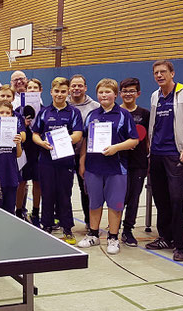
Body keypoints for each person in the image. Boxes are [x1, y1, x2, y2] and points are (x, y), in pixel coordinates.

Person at [146, 60, 183, 261]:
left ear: (172, 73)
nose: (159, 76)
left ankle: (181, 244)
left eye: (163, 72)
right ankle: (166, 237)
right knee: (160, 198)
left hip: (176, 154)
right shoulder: (155, 96)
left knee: (177, 199)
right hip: (157, 154)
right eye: (156, 73)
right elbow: (155, 125)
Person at [76, 78, 139, 255]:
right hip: (93, 167)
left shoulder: (124, 115)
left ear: (115, 94)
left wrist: (115, 148)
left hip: (116, 168)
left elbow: (134, 139)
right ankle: (93, 234)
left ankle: (113, 237)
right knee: (94, 203)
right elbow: (86, 141)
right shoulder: (92, 115)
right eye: (101, 92)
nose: (104, 95)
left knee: (115, 204)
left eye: (108, 92)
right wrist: (82, 162)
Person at [32, 77, 83, 244]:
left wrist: (63, 140)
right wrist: (42, 143)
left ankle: (67, 228)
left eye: (63, 91)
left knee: (64, 194)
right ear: (51, 92)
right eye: (57, 91)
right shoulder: (44, 112)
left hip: (66, 160)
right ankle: (46, 225)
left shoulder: (74, 112)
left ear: (67, 92)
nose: (59, 94)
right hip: (46, 160)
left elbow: (77, 135)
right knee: (47, 193)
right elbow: (35, 134)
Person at [119, 78, 150, 247]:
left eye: (132, 91)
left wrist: (149, 159)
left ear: (138, 93)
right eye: (125, 91)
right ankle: (114, 227)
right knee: (118, 197)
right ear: (120, 93)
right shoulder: (116, 112)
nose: (128, 94)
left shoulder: (145, 114)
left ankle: (128, 230)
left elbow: (147, 140)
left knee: (134, 198)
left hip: (138, 163)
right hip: (118, 162)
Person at [68, 74, 100, 230]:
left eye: (80, 85)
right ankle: (60, 219)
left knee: (86, 188)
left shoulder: (94, 106)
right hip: (65, 154)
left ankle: (89, 221)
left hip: (86, 154)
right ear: (69, 88)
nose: (76, 88)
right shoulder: (62, 103)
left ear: (85, 88)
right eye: (73, 85)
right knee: (63, 188)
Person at [15, 78, 44, 227]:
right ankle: (18, 211)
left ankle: (35, 212)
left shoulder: (45, 110)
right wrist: (23, 124)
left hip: (39, 151)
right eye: (29, 88)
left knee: (37, 183)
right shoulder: (18, 111)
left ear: (40, 91)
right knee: (22, 182)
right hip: (24, 151)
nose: (32, 90)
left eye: (35, 88)